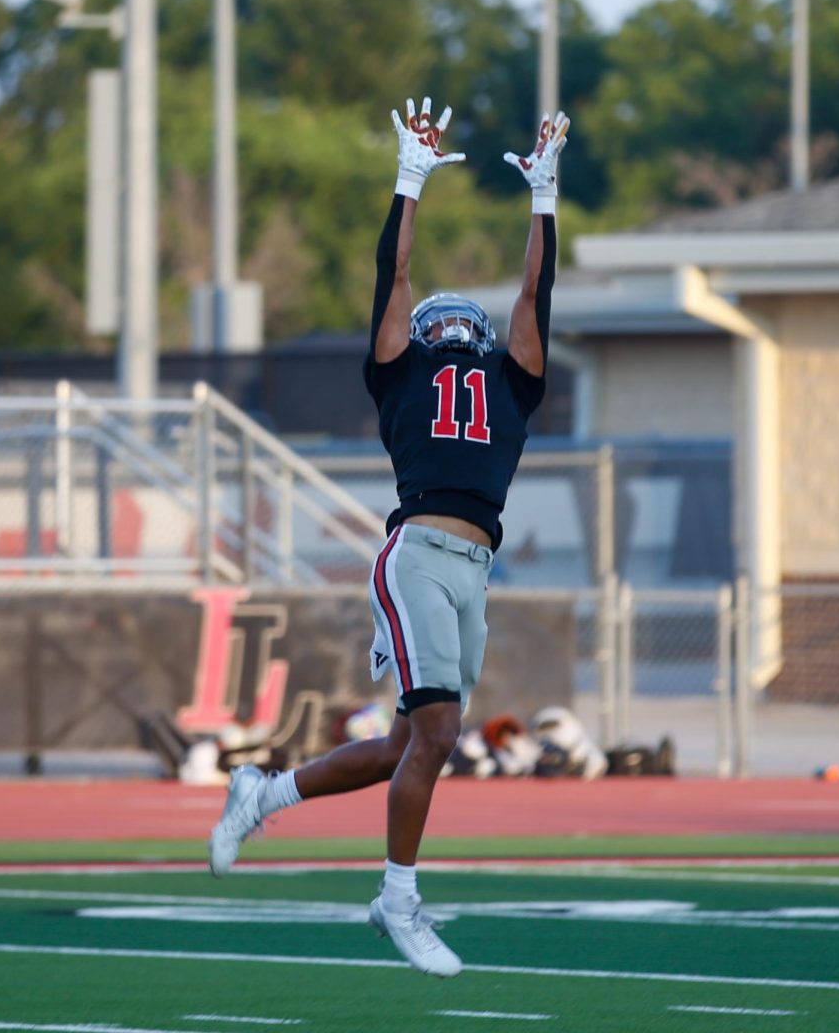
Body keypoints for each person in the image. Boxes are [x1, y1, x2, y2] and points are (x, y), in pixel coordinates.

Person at [208, 94, 569, 978]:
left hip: (473, 569)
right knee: (441, 736)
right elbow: (393, 277)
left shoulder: (511, 382)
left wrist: (545, 201)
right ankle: (397, 899)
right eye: (433, 320)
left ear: (475, 337)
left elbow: (534, 291)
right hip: (416, 556)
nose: (443, 327)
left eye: (457, 322)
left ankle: (265, 792)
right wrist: (409, 179)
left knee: (413, 744)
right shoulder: (400, 375)